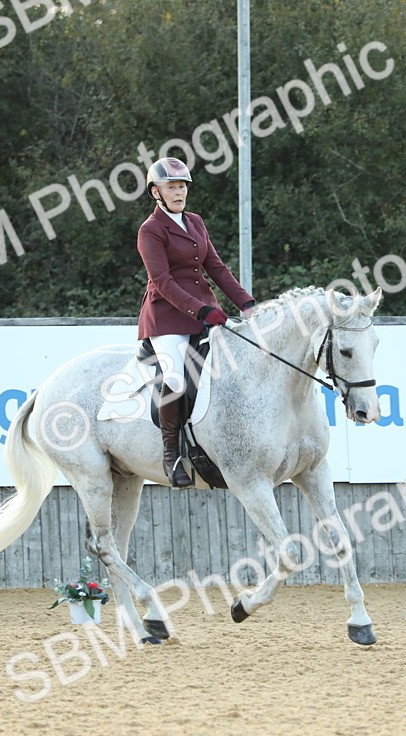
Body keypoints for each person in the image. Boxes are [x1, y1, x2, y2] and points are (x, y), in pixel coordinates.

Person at [136, 157, 255, 488]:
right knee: (175, 378)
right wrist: (201, 311)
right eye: (172, 187)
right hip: (166, 318)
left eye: (182, 186)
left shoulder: (196, 222)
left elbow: (216, 267)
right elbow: (162, 281)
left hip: (206, 311)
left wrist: (246, 303)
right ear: (156, 192)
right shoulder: (151, 230)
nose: (179, 192)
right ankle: (171, 456)